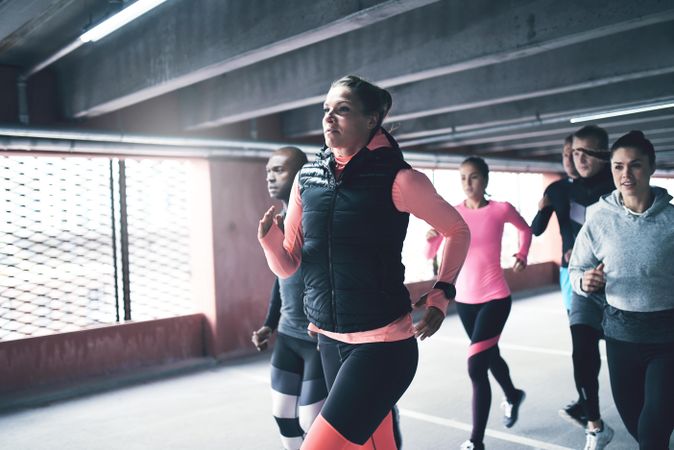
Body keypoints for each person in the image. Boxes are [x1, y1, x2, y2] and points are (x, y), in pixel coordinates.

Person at [258, 75, 471, 449]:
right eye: (326, 110)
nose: (329, 119)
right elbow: (289, 265)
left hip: (383, 346)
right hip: (329, 340)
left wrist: (441, 294)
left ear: (371, 119)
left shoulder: (400, 179)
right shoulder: (307, 180)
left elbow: (456, 230)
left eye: (342, 110)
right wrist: (268, 241)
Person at [569, 130, 674, 449]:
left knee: (653, 434)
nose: (625, 174)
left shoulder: (671, 219)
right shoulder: (599, 219)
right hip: (620, 338)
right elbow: (577, 269)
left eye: (635, 165)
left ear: (652, 166)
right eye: (617, 166)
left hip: (666, 341)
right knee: (636, 426)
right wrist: (585, 282)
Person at [426, 156, 532, 450]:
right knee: (489, 354)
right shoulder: (453, 215)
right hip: (465, 301)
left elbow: (526, 229)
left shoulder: (501, 210)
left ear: (485, 179)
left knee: (476, 365)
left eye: (473, 177)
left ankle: (476, 441)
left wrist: (522, 255)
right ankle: (513, 394)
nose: (467, 183)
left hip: (496, 297)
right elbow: (429, 254)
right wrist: (432, 239)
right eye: (462, 178)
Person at [251, 146, 326, 450]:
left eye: (278, 170)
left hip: (318, 339)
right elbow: (281, 278)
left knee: (312, 421)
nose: (270, 177)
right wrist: (269, 324)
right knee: (283, 415)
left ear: (299, 174)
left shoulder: (316, 219)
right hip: (287, 335)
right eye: (268, 170)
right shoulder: (277, 220)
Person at [563, 125, 616, 450]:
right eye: (575, 151)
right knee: (582, 354)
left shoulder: (618, 187)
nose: (579, 158)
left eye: (587, 152)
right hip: (582, 284)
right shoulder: (562, 191)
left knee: (628, 363)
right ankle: (594, 425)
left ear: (604, 154)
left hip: (620, 289)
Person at [530, 134, 579, 312]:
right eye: (565, 154)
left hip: (601, 267)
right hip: (569, 266)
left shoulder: (603, 186)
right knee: (577, 323)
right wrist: (541, 210)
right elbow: (536, 230)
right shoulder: (556, 189)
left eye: (574, 154)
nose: (569, 160)